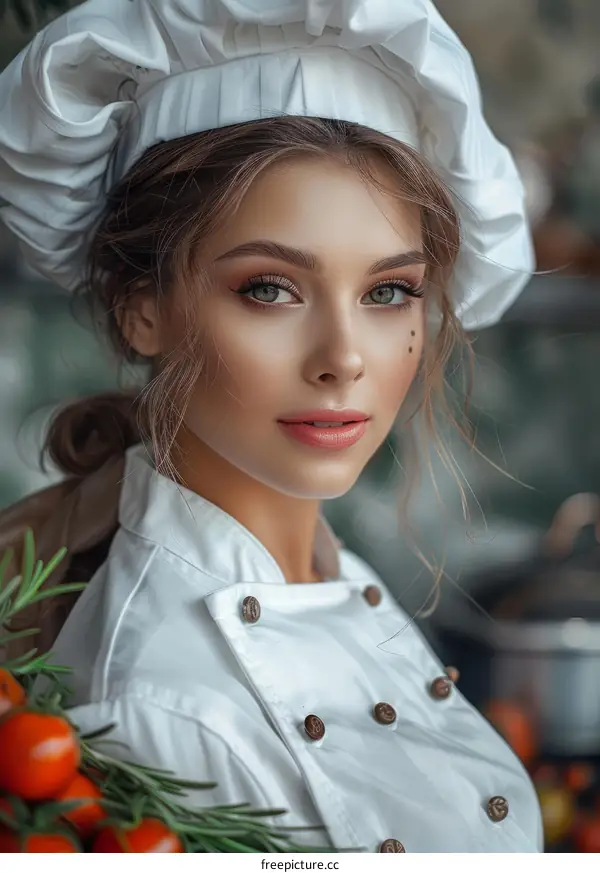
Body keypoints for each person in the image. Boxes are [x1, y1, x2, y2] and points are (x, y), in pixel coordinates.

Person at [0, 0, 543, 853]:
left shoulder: (324, 566)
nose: (344, 358)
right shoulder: (163, 713)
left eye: (387, 291)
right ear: (141, 307)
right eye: (270, 289)